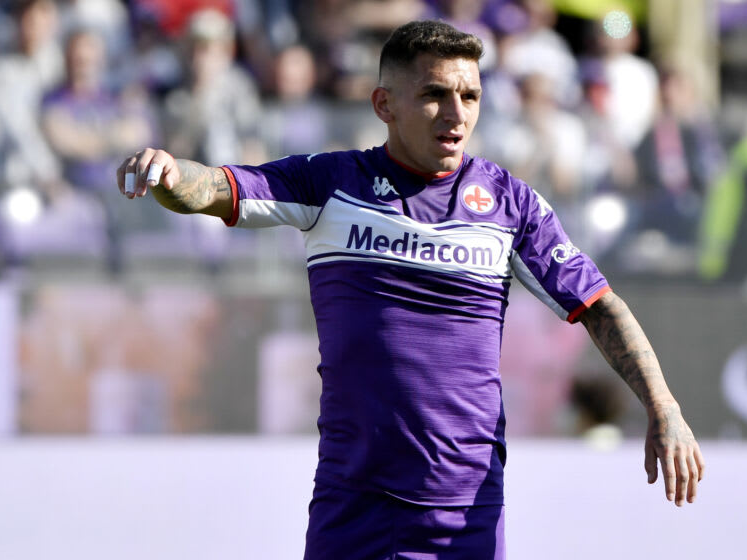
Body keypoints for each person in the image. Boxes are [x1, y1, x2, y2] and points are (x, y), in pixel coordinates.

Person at [117, 20, 704, 560]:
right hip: (354, 503)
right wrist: (170, 173)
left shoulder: (509, 204)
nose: (456, 113)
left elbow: (600, 307)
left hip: (465, 510)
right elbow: (215, 188)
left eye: (469, 96)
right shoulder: (330, 184)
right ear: (384, 105)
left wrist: (665, 407)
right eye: (433, 95)